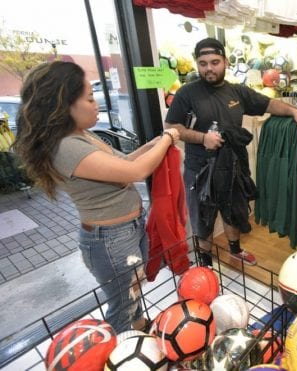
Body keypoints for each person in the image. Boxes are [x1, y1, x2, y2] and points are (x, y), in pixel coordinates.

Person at [13, 61, 180, 333]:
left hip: (126, 231)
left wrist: (155, 142)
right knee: (122, 304)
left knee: (132, 293)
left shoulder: (82, 135)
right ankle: (123, 350)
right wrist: (168, 138)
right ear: (63, 104)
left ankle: (138, 332)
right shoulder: (65, 146)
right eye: (90, 98)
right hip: (110, 239)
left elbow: (124, 161)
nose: (97, 105)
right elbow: (134, 171)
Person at [164, 37, 297, 266]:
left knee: (233, 210)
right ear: (197, 64)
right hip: (200, 170)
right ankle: (205, 262)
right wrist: (202, 137)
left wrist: (295, 112)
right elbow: (172, 127)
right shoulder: (187, 93)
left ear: (225, 62)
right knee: (203, 218)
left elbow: (268, 104)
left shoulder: (237, 91)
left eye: (214, 62)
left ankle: (235, 249)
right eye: (203, 63)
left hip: (233, 165)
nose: (209, 68)